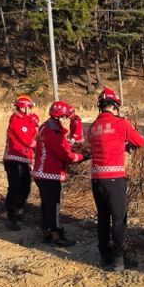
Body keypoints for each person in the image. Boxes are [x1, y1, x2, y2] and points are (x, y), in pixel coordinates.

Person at [88, 86, 144, 271]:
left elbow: (104, 144)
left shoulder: (93, 127)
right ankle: (119, 259)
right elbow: (141, 142)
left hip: (96, 178)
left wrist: (120, 145)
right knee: (119, 218)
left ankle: (105, 255)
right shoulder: (120, 123)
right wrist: (127, 143)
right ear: (115, 106)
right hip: (114, 178)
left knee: (103, 217)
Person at [32, 101, 84, 247]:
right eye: (66, 117)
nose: (67, 120)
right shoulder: (54, 132)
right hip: (49, 173)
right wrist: (80, 156)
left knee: (46, 204)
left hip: (41, 173)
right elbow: (65, 154)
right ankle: (56, 236)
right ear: (60, 117)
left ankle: (47, 231)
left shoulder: (45, 126)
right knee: (53, 205)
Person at [3, 95, 38, 231]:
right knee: (15, 187)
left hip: (24, 158)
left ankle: (19, 209)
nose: (30, 110)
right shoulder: (16, 120)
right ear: (23, 107)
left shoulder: (26, 120)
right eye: (29, 107)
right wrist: (41, 145)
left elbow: (33, 134)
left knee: (26, 187)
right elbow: (26, 139)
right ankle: (11, 216)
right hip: (14, 158)